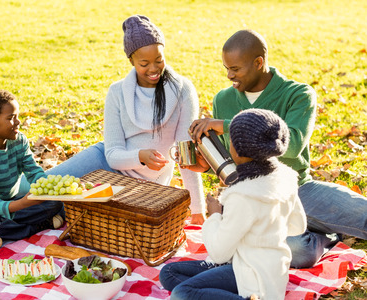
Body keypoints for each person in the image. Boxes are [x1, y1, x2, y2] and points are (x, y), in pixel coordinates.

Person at [188, 29, 367, 268]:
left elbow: (291, 145)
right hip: (254, 200)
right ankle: (325, 236)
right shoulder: (224, 99)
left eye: (236, 69)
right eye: (226, 68)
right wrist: (207, 167)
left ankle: (315, 223)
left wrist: (227, 125)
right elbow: (233, 164)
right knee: (298, 250)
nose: (229, 75)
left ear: (259, 62)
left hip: (299, 190)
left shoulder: (298, 94)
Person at [21, 15, 206, 224]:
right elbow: (112, 154)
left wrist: (198, 210)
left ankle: (40, 218)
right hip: (107, 161)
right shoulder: (117, 92)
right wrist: (140, 156)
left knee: (69, 207)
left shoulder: (183, 90)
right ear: (131, 61)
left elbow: (186, 155)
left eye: (159, 60)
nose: (153, 69)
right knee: (43, 188)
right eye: (144, 63)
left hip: (142, 185)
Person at [160, 108, 307, 299]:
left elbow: (219, 253)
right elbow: (298, 226)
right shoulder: (285, 177)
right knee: (168, 274)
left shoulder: (243, 195)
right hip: (272, 271)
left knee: (181, 293)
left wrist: (215, 215)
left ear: (237, 149)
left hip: (252, 277)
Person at [0, 89, 65, 249]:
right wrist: (24, 203)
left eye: (17, 116)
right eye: (11, 118)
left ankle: (1, 233)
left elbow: (33, 171)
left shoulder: (18, 140)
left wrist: (46, 189)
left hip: (11, 201)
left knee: (55, 204)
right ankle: (39, 226)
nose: (18, 122)